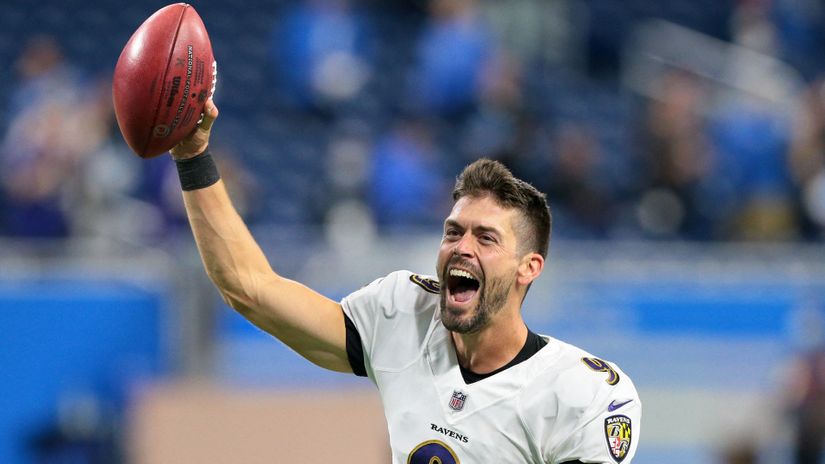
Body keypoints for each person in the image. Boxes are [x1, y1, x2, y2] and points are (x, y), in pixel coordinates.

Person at [168, 98, 641, 463]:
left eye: (486, 238)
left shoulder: (587, 394)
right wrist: (193, 156)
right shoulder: (403, 313)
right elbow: (248, 288)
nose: (462, 247)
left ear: (529, 267)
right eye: (453, 231)